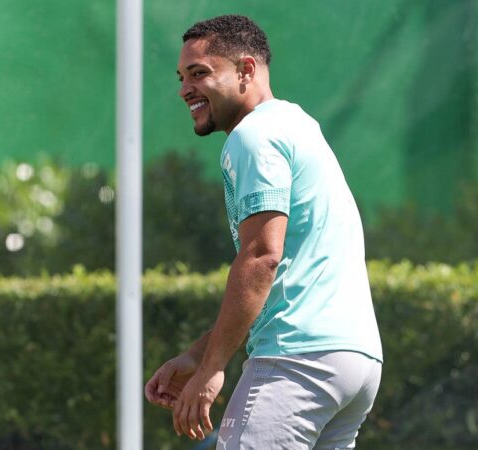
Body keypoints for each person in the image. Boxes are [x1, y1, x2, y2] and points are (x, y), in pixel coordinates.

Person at [145, 15, 383, 449]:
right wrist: (198, 355)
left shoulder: (253, 136)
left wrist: (211, 370)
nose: (185, 89)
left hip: (297, 361)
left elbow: (261, 257)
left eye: (199, 73)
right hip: (356, 359)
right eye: (182, 77)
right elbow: (286, 276)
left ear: (246, 70)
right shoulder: (297, 124)